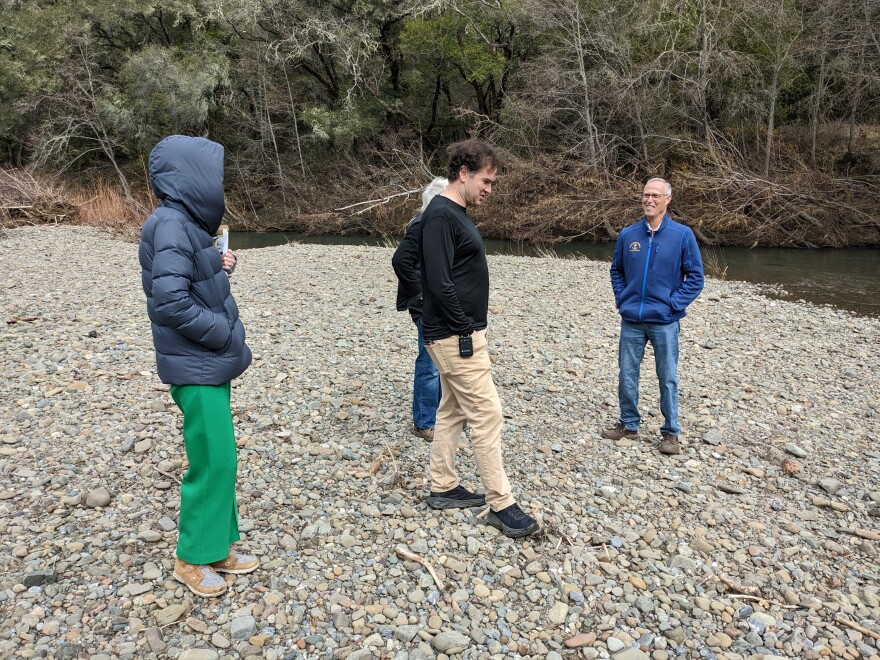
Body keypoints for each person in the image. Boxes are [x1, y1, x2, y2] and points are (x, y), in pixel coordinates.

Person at [138, 135, 257, 598]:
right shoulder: (169, 223)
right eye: (214, 175)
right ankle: (191, 557)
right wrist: (223, 333)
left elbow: (187, 274)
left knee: (221, 458)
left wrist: (218, 260)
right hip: (195, 364)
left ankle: (218, 545)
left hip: (205, 362)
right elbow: (169, 302)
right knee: (213, 460)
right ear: (192, 176)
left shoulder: (184, 223)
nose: (219, 184)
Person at [419, 139, 540, 539]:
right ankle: (501, 504)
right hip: (456, 337)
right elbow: (437, 281)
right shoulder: (440, 215)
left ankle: (443, 485)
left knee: (453, 409)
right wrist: (465, 327)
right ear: (463, 173)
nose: (489, 189)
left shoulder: (455, 212)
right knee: (487, 414)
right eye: (486, 180)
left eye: (493, 182)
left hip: (460, 333)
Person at [601, 177, 704, 455]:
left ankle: (671, 433)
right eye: (646, 195)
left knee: (667, 377)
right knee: (627, 374)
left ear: (667, 200)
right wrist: (622, 298)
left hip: (665, 321)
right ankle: (629, 424)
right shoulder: (628, 234)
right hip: (632, 319)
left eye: (656, 196)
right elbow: (616, 270)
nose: (649, 200)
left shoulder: (682, 235)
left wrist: (673, 304)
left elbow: (695, 278)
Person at [392, 177, 449, 441]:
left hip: (436, 304)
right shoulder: (422, 224)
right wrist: (421, 295)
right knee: (429, 363)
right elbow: (401, 260)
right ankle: (424, 423)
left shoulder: (434, 225)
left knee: (440, 362)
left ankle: (436, 417)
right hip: (426, 306)